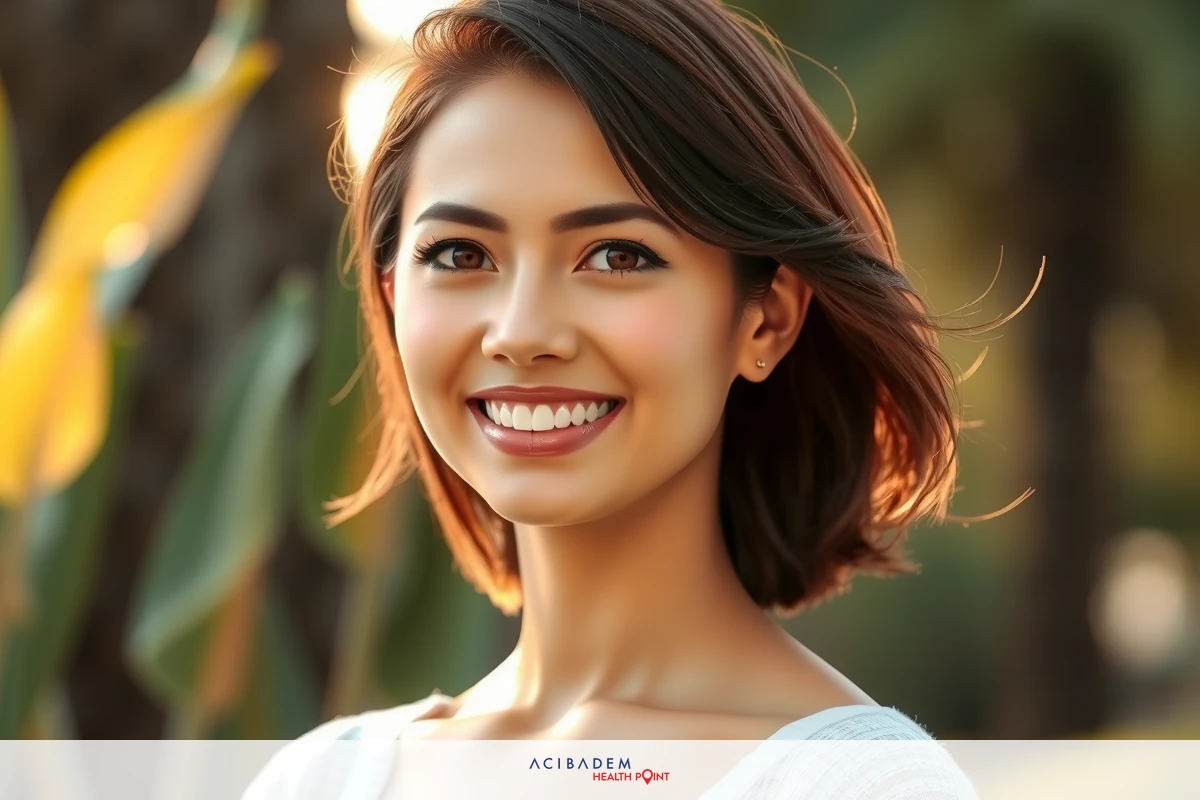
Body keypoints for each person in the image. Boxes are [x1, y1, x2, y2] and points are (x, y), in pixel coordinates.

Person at [246, 0, 988, 796]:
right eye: (461, 254)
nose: (521, 333)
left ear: (765, 319)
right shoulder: (321, 777)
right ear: (394, 300)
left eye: (617, 257)